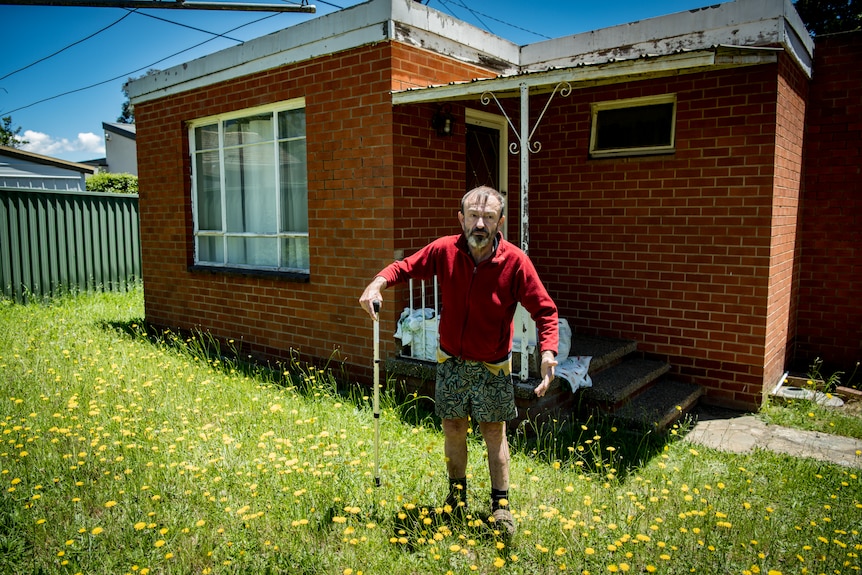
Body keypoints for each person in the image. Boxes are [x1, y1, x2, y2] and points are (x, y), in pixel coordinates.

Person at [359, 185, 559, 538]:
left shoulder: (515, 262)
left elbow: (544, 310)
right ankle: (456, 499)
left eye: (488, 217)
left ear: (500, 222)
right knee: (453, 427)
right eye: (473, 215)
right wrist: (376, 284)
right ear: (461, 218)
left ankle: (500, 507)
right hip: (450, 361)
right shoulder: (444, 250)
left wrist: (547, 353)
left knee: (493, 432)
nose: (479, 223)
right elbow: (404, 267)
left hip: (492, 365)